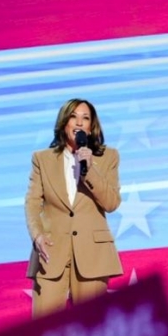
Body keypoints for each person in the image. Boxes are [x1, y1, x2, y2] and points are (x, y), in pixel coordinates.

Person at [25, 98, 123, 318]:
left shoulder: (108, 157)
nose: (79, 123)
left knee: (91, 331)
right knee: (43, 333)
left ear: (91, 127)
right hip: (51, 252)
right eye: (74, 116)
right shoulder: (42, 159)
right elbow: (32, 202)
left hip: (93, 254)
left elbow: (112, 202)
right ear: (64, 122)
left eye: (85, 118)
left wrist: (89, 170)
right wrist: (37, 235)